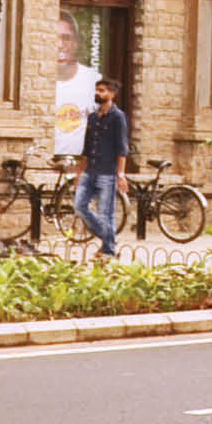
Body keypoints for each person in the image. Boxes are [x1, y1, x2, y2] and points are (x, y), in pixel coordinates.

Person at [76, 76, 130, 257]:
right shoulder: (92, 117)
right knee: (79, 206)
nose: (98, 93)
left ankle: (108, 250)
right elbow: (86, 147)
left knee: (106, 213)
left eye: (102, 90)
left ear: (112, 94)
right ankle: (110, 239)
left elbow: (122, 148)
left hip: (107, 172)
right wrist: (79, 172)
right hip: (90, 170)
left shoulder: (118, 117)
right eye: (97, 90)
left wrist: (121, 174)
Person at [48, 15, 98, 160]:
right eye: (54, 38)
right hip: (48, 161)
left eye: (66, 38)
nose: (59, 44)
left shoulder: (93, 80)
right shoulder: (38, 81)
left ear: (76, 43)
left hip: (81, 162)